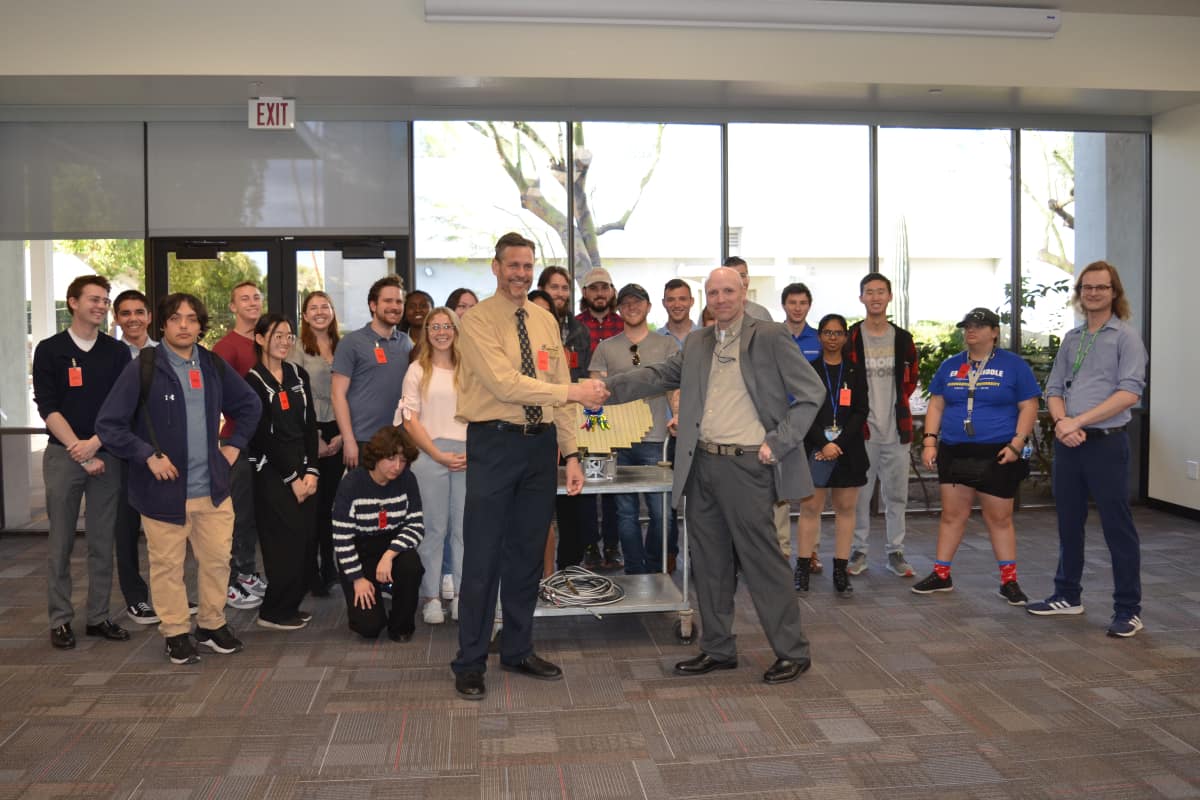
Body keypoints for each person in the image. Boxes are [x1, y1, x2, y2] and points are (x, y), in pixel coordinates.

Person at [604, 267, 824, 685]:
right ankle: (718, 648)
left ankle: (793, 652)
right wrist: (605, 389)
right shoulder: (699, 341)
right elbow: (658, 376)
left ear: (743, 291)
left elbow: (812, 393)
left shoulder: (771, 336)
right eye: (713, 292)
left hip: (749, 466)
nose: (720, 298)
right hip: (701, 464)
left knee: (763, 563)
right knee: (708, 564)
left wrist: (779, 441)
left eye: (728, 290)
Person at [450, 232, 608, 701]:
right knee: (482, 558)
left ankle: (517, 649)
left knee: (525, 557)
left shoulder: (544, 320)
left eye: (527, 265)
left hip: (540, 451)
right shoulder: (475, 321)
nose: (520, 273)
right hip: (493, 446)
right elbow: (505, 383)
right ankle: (470, 661)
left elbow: (555, 383)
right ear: (495, 267)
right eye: (512, 265)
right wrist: (574, 392)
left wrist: (573, 452)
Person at [95, 293, 262, 665]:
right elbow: (108, 425)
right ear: (164, 325)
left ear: (201, 325)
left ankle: (212, 623)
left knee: (218, 561)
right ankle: (175, 632)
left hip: (214, 491)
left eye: (191, 319)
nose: (184, 325)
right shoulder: (144, 367)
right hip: (163, 493)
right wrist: (147, 456)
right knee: (168, 567)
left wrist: (233, 446)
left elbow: (250, 405)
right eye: (176, 319)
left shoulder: (213, 364)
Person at [1027, 261, 1149, 638]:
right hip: (1071, 445)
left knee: (1117, 528)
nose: (1093, 293)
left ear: (1115, 293)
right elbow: (1053, 390)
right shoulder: (1073, 338)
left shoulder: (1126, 337)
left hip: (1106, 444)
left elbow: (1129, 392)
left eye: (1101, 287)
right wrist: (1064, 423)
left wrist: (1077, 422)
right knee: (1068, 523)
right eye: (1087, 287)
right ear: (1080, 293)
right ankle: (1067, 595)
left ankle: (1128, 610)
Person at [911, 308, 1040, 605]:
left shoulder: (1013, 365)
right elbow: (937, 406)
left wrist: (1017, 444)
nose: (971, 330)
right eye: (967, 326)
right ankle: (941, 574)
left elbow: (1029, 406)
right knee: (952, 515)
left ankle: (1009, 582)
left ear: (994, 332)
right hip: (955, 449)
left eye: (979, 326)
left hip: (997, 451)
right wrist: (930, 442)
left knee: (999, 518)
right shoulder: (951, 366)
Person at [34, 274, 132, 650]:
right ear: (72, 302)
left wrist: (96, 444)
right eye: (94, 299)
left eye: (105, 300)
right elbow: (48, 407)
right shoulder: (50, 349)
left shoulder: (117, 352)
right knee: (60, 542)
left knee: (102, 541)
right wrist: (78, 447)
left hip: (106, 453)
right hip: (64, 454)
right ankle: (60, 620)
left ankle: (98, 617)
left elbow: (123, 407)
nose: (101, 306)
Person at [589, 283, 678, 574]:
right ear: (619, 309)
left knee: (661, 513)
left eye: (638, 302)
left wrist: (677, 414)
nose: (632, 307)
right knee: (625, 513)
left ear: (649, 306)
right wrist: (597, 435)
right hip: (617, 442)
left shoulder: (666, 345)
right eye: (626, 303)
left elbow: (674, 388)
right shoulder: (605, 348)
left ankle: (654, 569)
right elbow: (594, 394)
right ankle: (635, 571)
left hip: (655, 440)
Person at [246, 314, 320, 630]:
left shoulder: (297, 373)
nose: (284, 341)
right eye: (277, 335)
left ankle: (289, 605)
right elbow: (262, 436)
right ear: (260, 338)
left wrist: (313, 471)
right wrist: (292, 478)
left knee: (304, 541)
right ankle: (273, 612)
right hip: (272, 472)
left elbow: (309, 424)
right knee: (282, 545)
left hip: (304, 467)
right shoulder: (252, 380)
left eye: (289, 336)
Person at [845, 272, 919, 579]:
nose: (875, 297)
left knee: (896, 494)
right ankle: (858, 550)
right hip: (862, 432)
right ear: (861, 298)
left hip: (896, 430)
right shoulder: (851, 337)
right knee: (859, 495)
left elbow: (911, 380)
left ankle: (895, 552)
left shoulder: (902, 339)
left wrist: (897, 406)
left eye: (880, 292)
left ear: (889, 297)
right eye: (869, 292)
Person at [398, 307, 467, 625]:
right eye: (434, 326)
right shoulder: (416, 370)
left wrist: (474, 451)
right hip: (428, 455)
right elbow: (409, 421)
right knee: (433, 530)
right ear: (426, 331)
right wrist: (437, 455)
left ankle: (463, 597)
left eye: (447, 325)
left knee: (463, 531)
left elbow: (482, 412)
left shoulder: (469, 368)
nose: (441, 331)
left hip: (467, 456)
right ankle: (432, 599)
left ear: (456, 329)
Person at [794, 314, 869, 596]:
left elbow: (862, 411)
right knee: (810, 509)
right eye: (827, 332)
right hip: (816, 448)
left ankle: (840, 569)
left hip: (848, 450)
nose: (833, 338)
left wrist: (838, 442)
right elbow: (802, 409)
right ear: (820, 336)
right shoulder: (808, 369)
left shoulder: (856, 371)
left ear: (846, 337)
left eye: (838, 333)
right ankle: (802, 568)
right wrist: (822, 443)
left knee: (845, 511)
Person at [332, 426, 425, 642]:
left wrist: (389, 555)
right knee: (370, 627)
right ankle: (372, 592)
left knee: (412, 566)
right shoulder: (352, 484)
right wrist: (357, 579)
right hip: (359, 550)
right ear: (377, 456)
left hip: (392, 545)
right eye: (391, 459)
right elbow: (342, 537)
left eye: (402, 461)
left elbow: (416, 525)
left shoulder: (407, 480)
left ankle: (401, 624)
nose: (397, 467)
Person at [212, 280, 268, 610]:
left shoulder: (264, 342)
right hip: (237, 441)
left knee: (254, 514)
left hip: (266, 442)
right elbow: (219, 398)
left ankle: (247, 571)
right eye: (244, 299)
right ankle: (231, 580)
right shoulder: (226, 347)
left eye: (256, 297)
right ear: (233, 307)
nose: (251, 302)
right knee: (236, 515)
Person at [287, 291, 345, 596]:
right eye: (314, 308)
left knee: (331, 505)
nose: (320, 312)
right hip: (309, 431)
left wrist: (342, 435)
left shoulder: (344, 346)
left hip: (339, 428)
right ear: (305, 316)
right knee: (311, 505)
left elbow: (353, 390)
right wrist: (317, 438)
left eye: (326, 306)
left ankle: (330, 567)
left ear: (332, 312)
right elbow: (294, 396)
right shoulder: (296, 349)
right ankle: (310, 571)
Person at [538, 265, 594, 570]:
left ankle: (570, 568)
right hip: (538, 419)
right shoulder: (528, 326)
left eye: (564, 288)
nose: (559, 293)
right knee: (541, 506)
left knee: (573, 502)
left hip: (571, 418)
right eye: (553, 287)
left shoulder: (578, 330)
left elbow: (583, 375)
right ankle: (541, 572)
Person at [111, 289, 158, 624]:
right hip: (123, 454)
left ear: (149, 317)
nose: (133, 319)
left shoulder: (166, 353)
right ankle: (136, 598)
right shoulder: (111, 356)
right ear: (117, 319)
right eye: (125, 313)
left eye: (139, 312)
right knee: (125, 529)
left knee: (167, 530)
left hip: (162, 454)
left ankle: (170, 593)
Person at [331, 274, 413, 469]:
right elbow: (337, 395)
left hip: (399, 441)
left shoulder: (407, 343)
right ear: (373, 305)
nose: (394, 306)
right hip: (363, 441)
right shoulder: (351, 343)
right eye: (388, 301)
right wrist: (348, 440)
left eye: (399, 301)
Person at [575, 266, 624, 571]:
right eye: (594, 288)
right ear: (585, 293)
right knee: (587, 479)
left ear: (612, 291)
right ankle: (590, 544)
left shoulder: (624, 324)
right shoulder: (575, 326)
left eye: (604, 287)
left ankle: (613, 545)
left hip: (617, 413)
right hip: (585, 412)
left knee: (612, 479)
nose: (600, 294)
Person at [777, 282, 822, 572]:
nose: (797, 307)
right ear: (784, 305)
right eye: (792, 302)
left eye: (803, 302)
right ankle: (781, 551)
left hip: (811, 423)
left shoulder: (819, 339)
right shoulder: (771, 337)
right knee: (779, 491)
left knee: (810, 491)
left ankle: (811, 552)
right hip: (779, 420)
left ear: (809, 305)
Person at [722, 256, 773, 321]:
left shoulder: (761, 314)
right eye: (733, 277)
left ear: (748, 279)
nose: (740, 282)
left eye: (742, 276)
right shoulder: (718, 312)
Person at [660, 278, 699, 348]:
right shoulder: (654, 340)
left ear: (692, 301)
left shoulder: (706, 338)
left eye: (682, 299)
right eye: (671, 300)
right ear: (663, 303)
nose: (677, 305)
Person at [402, 289, 434, 355]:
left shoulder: (440, 338)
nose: (417, 310)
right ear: (404, 311)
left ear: (433, 310)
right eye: (412, 307)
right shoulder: (398, 342)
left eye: (423, 306)